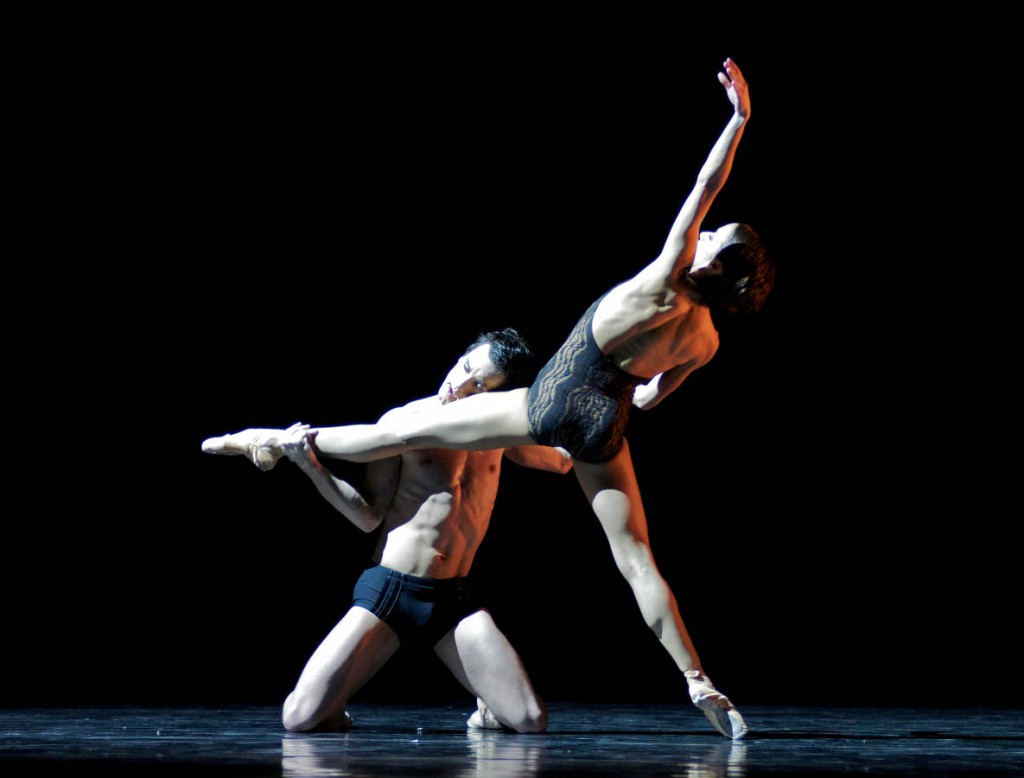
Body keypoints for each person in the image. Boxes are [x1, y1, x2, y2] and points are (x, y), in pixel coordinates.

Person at [203, 57, 771, 740]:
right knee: (636, 558)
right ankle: (698, 679)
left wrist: (737, 120)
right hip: (604, 426)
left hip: (555, 403)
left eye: (713, 237)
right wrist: (608, 420)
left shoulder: (666, 276)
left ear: (709, 262)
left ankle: (270, 438)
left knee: (401, 434)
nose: (703, 234)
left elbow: (706, 184)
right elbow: (649, 399)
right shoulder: (707, 341)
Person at [210, 329, 572, 734]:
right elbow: (367, 516)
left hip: (453, 598)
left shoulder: (498, 432)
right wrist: (312, 467)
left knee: (530, 721)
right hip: (391, 592)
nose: (460, 387)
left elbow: (561, 462)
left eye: (480, 387)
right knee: (298, 719)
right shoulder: (404, 422)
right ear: (460, 355)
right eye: (466, 368)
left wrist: (614, 397)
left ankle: (488, 709)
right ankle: (335, 706)